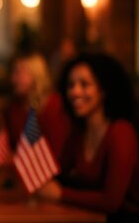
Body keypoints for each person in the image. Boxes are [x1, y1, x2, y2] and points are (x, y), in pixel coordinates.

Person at [37, 53, 139, 221]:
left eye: (85, 84)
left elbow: (111, 202)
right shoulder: (78, 132)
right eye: (71, 85)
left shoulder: (121, 132)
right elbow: (60, 177)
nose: (75, 92)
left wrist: (61, 194)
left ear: (103, 90)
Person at [6, 52, 70, 160]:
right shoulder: (14, 107)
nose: (13, 79)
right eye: (13, 73)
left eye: (19, 73)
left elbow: (59, 152)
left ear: (36, 75)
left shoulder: (53, 105)